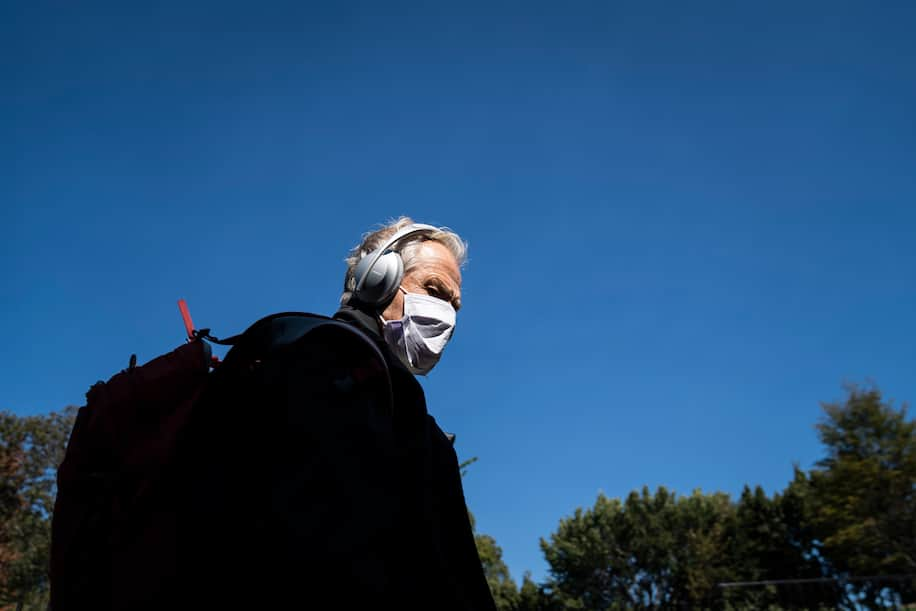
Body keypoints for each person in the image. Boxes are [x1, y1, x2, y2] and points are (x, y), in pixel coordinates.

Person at [332, 217, 496, 610]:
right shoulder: (330, 371)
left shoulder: (398, 400)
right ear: (378, 278)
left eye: (454, 307)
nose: (447, 317)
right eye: (435, 291)